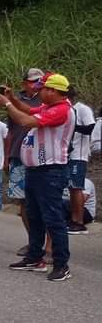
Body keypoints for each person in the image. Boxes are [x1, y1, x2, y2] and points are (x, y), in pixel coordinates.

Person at [1, 73, 75, 281]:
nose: (37, 91)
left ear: (52, 91)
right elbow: (28, 110)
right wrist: (13, 99)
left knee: (53, 219)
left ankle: (62, 265)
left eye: (41, 88)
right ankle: (35, 257)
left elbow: (25, 119)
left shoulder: (61, 110)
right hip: (36, 170)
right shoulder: (49, 107)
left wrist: (7, 105)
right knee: (34, 216)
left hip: (50, 171)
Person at [5, 68, 44, 256]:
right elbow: (11, 131)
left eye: (40, 81)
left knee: (44, 201)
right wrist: (7, 157)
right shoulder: (15, 99)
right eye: (33, 81)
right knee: (23, 202)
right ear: (24, 83)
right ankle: (33, 242)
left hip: (40, 158)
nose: (37, 84)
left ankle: (47, 245)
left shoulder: (45, 99)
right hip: (18, 156)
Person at [66, 87, 95, 235]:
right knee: (71, 188)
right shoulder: (66, 110)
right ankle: (73, 218)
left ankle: (78, 221)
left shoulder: (81, 109)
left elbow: (90, 127)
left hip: (79, 154)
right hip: (67, 155)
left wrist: (73, 127)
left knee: (76, 187)